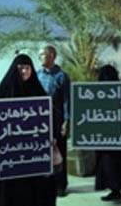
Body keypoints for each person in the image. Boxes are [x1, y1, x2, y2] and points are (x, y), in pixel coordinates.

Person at [0, 54, 56, 206]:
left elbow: (50, 118)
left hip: (33, 160)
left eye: (27, 68)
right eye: (21, 68)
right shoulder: (3, 93)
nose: (24, 71)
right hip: (11, 159)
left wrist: (51, 136)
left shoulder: (38, 92)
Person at [95, 65, 121, 202]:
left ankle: (120, 191)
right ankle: (115, 191)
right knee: (109, 167)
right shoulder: (95, 94)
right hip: (107, 139)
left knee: (117, 167)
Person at [37, 45, 71, 196]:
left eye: (43, 54)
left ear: (52, 56)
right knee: (43, 152)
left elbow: (67, 100)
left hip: (57, 121)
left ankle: (60, 186)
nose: (40, 57)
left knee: (59, 154)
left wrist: (67, 120)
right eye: (39, 55)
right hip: (40, 122)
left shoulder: (62, 76)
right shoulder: (37, 75)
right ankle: (46, 184)